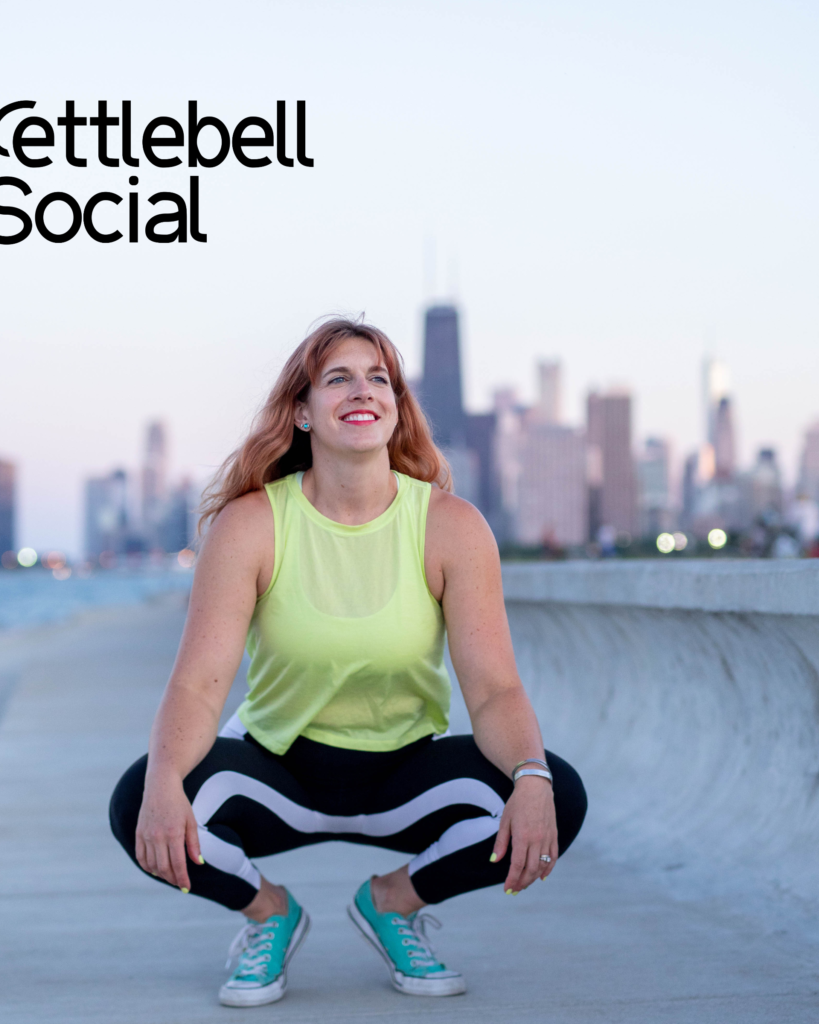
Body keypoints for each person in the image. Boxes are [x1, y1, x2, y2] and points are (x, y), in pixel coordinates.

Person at [110, 317, 587, 1006]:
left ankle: (393, 903)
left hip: (405, 773)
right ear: (302, 411)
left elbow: (493, 691)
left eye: (379, 379)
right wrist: (161, 784)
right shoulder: (250, 525)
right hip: (278, 773)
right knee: (139, 803)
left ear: (396, 408)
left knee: (556, 794)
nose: (362, 390)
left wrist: (532, 776)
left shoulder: (451, 526)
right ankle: (269, 914)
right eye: (338, 377)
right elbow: (197, 686)